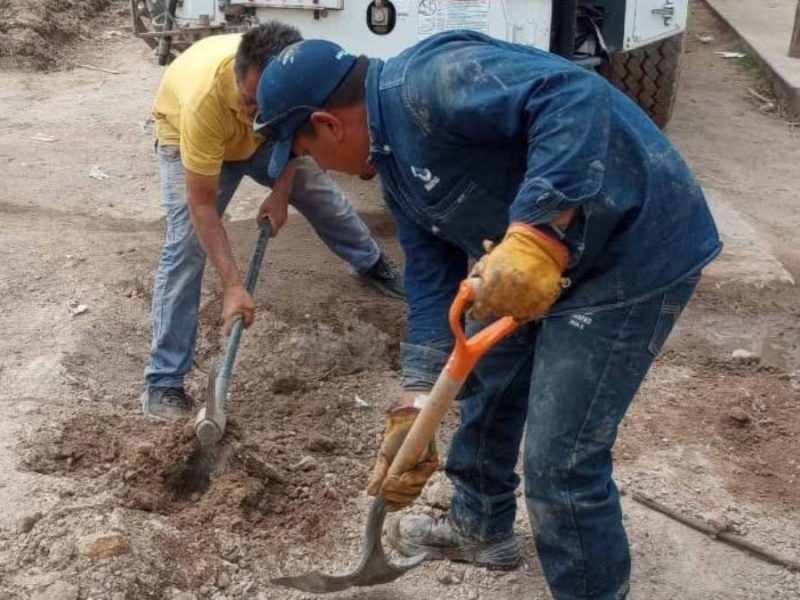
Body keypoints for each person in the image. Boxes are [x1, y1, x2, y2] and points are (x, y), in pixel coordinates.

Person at [254, 32, 722, 600]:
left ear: (328, 124)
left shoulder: (429, 82)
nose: (320, 167)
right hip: (549, 259)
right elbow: (430, 280)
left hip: (633, 249)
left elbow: (572, 94)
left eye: (306, 153)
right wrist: (416, 402)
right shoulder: (394, 167)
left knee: (561, 462)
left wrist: (537, 230)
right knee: (488, 378)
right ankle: (480, 524)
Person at [142, 23, 404, 421]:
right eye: (250, 102)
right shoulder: (205, 101)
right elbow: (202, 206)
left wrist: (281, 194)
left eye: (264, 106)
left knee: (320, 193)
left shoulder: (285, 86)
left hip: (260, 145)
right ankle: (164, 379)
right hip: (190, 138)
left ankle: (370, 264)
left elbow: (292, 137)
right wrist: (234, 286)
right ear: (238, 79)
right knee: (186, 247)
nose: (255, 114)